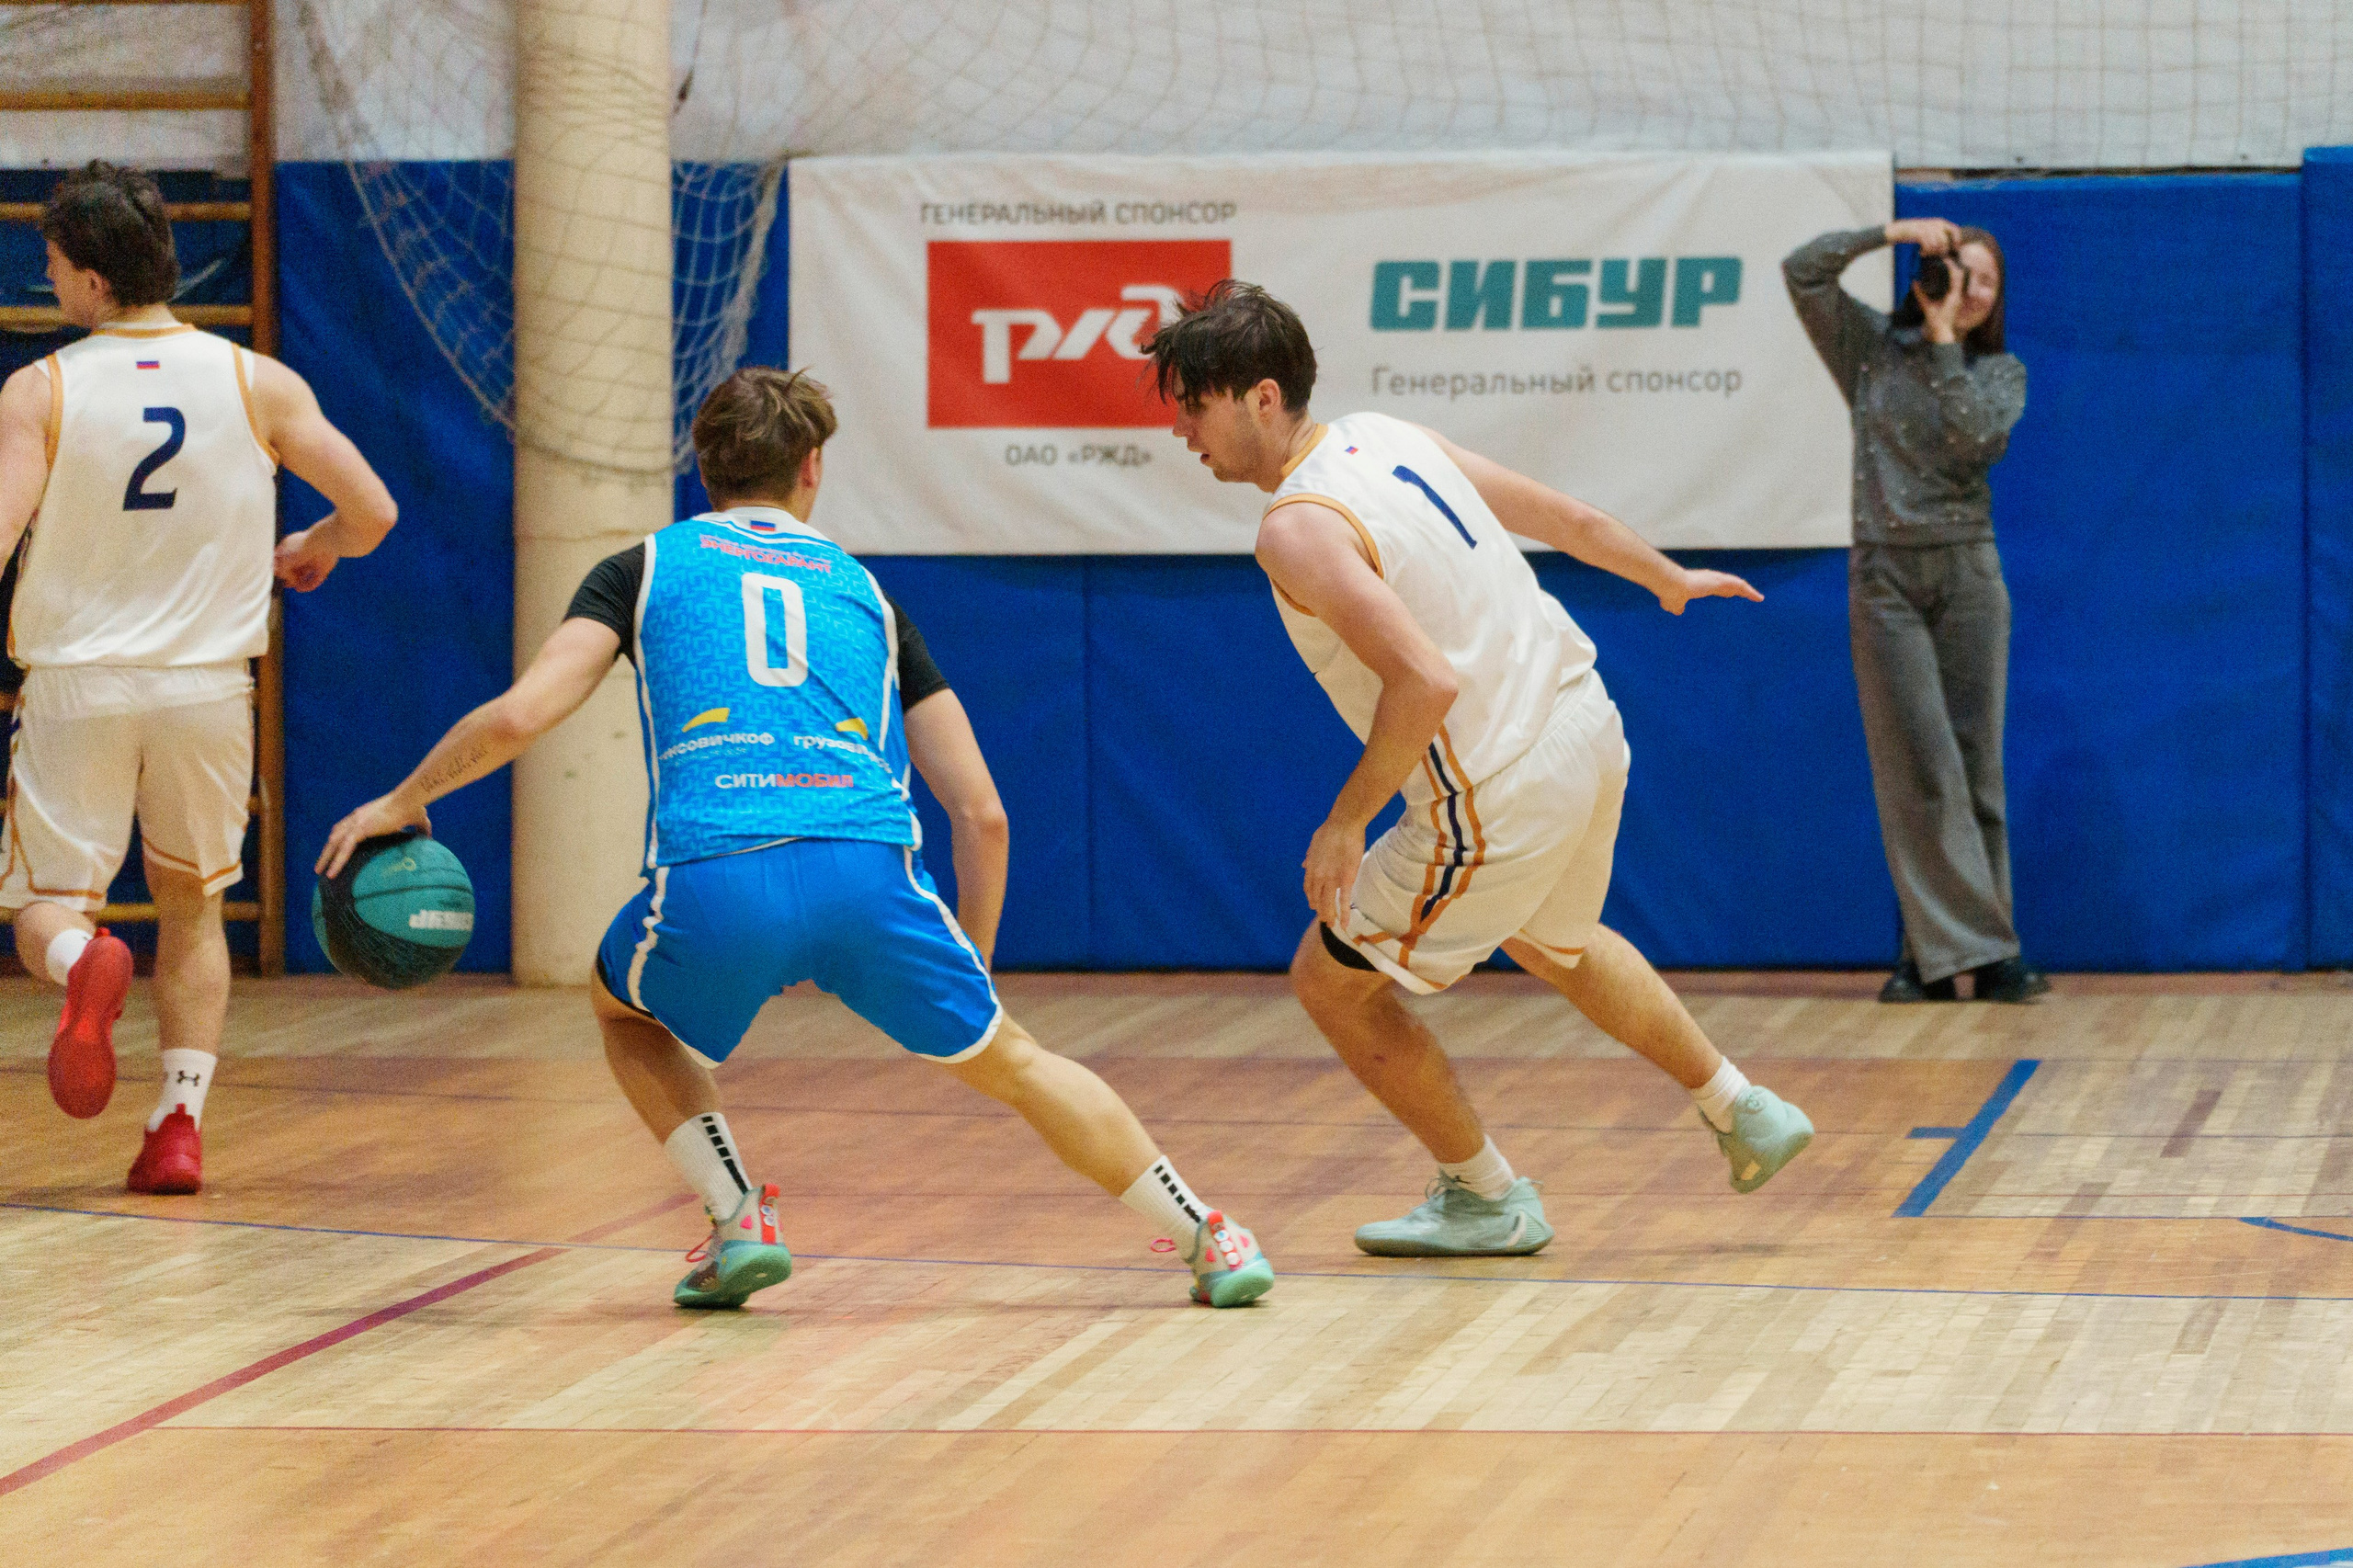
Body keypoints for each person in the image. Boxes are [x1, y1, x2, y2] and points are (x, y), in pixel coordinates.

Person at [320, 366, 1275, 1311]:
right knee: (1018, 1063)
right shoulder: (867, 595)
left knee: (625, 1013)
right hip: (871, 879)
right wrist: (971, 964)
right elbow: (983, 812)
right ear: (811, 466)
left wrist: (405, 797)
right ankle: (1209, 1235)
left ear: (703, 469)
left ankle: (739, 1217)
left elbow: (523, 714)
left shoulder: (641, 568)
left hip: (719, 876)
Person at [1147, 281, 1813, 1257]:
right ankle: (1741, 1105)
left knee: (1329, 983)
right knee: (1554, 942)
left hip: (1499, 788)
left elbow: (1424, 681)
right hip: (1586, 722)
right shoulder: (1387, 435)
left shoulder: (1295, 525)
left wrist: (1345, 822)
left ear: (1261, 397)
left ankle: (1485, 1195)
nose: (1180, 430)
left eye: (1193, 406)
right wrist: (1664, 577)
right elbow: (1567, 516)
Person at [0, 161, 398, 1192]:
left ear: (93, 282)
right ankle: (177, 1126)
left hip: (80, 684)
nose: (50, 279)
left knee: (44, 907)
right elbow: (374, 512)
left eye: (55, 264)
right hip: (208, 690)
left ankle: (81, 965)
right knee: (194, 905)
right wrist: (315, 543)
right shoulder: (257, 381)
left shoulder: (40, 390)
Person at [1782, 218, 2045, 1005]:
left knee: (1975, 768)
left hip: (1968, 572)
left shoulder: (2001, 372)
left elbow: (1976, 441)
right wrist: (1890, 232)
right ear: (1928, 274)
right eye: (1959, 272)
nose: (1971, 290)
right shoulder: (1868, 349)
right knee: (1917, 768)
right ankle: (1951, 955)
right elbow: (1803, 270)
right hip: (1885, 578)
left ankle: (1962, 958)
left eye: (1986, 281)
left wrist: (1943, 342)